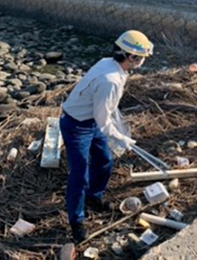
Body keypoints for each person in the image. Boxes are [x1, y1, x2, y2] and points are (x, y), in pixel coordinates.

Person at [60, 30, 153, 242]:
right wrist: (121, 137)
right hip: (76, 125)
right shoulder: (110, 79)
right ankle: (77, 221)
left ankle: (94, 196)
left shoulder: (110, 65)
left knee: (104, 160)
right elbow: (103, 121)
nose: (141, 62)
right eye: (140, 58)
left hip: (90, 121)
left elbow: (104, 113)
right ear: (130, 57)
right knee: (79, 174)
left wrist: (117, 131)